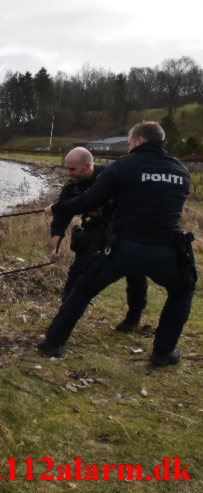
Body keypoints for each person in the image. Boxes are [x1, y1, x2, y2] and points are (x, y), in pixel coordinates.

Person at [40, 121, 196, 366]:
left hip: (125, 247)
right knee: (182, 291)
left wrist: (56, 208)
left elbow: (88, 199)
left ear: (140, 141)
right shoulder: (181, 171)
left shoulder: (123, 166)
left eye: (130, 142)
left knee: (82, 291)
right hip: (167, 250)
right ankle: (163, 352)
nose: (129, 146)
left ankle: (52, 343)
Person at [50, 146, 148, 332]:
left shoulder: (112, 175)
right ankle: (65, 314)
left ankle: (133, 318)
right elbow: (61, 216)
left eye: (72, 169)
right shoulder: (72, 186)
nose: (68, 173)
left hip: (123, 231)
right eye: (66, 168)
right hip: (93, 233)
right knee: (77, 273)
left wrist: (104, 208)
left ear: (88, 166)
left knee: (136, 274)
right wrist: (55, 246)